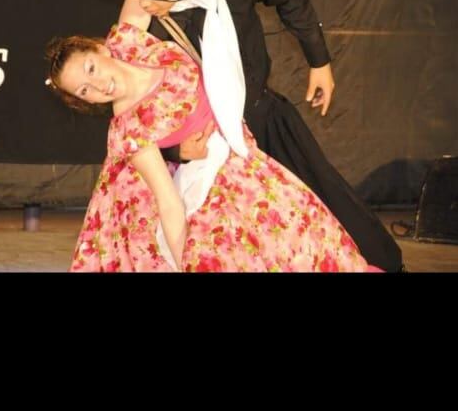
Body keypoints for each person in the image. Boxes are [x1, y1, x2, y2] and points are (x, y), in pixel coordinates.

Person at [89, 0, 403, 273]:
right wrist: (177, 150)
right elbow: (137, 117)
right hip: (213, 149)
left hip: (263, 118)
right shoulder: (145, 31)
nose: (144, 1)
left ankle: (385, 265)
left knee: (323, 196)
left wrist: (320, 62)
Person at [45, 14, 383, 273]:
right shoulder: (129, 129)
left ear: (101, 48)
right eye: (84, 91)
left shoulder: (128, 40)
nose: (98, 85)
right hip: (212, 185)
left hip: (243, 156)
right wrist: (182, 262)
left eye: (91, 69)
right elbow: (168, 203)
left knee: (311, 240)